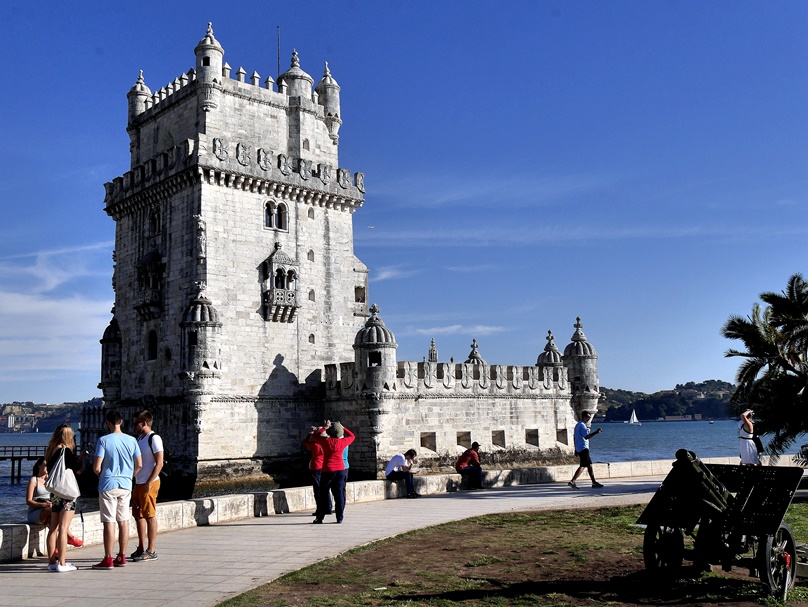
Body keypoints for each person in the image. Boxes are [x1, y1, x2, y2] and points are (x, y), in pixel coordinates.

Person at [92, 409, 142, 569]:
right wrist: (129, 476)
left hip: (108, 484)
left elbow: (96, 467)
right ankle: (122, 556)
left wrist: (102, 476)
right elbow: (139, 464)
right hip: (126, 485)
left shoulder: (103, 440)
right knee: (123, 520)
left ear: (108, 423)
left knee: (109, 521)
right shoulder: (132, 440)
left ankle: (108, 558)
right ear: (121, 421)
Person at [44, 424, 85, 572]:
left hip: (55, 493)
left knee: (53, 529)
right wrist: (81, 457)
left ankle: (51, 562)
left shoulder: (51, 450)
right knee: (63, 528)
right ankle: (62, 563)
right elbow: (77, 469)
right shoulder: (65, 451)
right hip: (66, 493)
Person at [26, 457, 84, 551]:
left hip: (49, 510)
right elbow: (28, 501)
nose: (46, 467)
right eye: (45, 465)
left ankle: (56, 549)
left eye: (48, 465)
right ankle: (70, 537)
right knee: (54, 510)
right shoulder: (34, 480)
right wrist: (43, 505)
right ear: (39, 465)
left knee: (52, 521)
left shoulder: (51, 480)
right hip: (36, 511)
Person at [130, 410, 163, 562]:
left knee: (150, 515)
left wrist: (149, 482)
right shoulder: (140, 438)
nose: (134, 425)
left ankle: (152, 549)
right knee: (138, 515)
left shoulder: (154, 439)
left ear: (144, 423)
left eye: (136, 423)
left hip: (149, 483)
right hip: (139, 482)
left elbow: (159, 463)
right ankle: (141, 547)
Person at [309, 420, 354, 524]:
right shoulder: (342, 442)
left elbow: (315, 436)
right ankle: (339, 517)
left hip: (328, 470)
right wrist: (343, 428)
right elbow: (352, 436)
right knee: (338, 494)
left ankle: (320, 518)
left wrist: (324, 427)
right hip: (340, 470)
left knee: (323, 494)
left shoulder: (325, 442)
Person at [568, 410, 604, 489]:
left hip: (579, 448)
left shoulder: (578, 425)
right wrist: (596, 432)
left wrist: (576, 449)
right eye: (588, 417)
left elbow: (575, 437)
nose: (589, 418)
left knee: (587, 465)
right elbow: (586, 436)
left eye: (590, 417)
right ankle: (573, 481)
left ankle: (593, 482)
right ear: (584, 416)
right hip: (584, 448)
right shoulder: (582, 426)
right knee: (586, 465)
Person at [303, 425, 332, 518]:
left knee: (317, 490)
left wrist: (310, 434)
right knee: (326, 488)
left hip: (316, 468)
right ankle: (328, 508)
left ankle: (320, 509)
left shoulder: (315, 445)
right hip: (325, 467)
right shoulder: (327, 444)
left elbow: (305, 442)